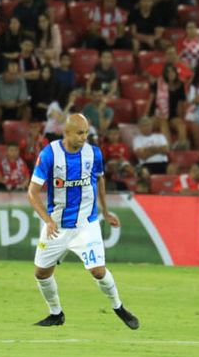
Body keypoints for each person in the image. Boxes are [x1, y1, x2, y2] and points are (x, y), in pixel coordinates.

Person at [26, 113, 139, 330]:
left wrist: (105, 212)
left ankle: (119, 307)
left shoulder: (94, 153)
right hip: (57, 226)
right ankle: (56, 313)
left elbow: (100, 179)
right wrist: (48, 221)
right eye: (80, 133)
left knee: (97, 270)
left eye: (86, 132)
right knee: (41, 273)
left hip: (86, 224)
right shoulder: (49, 154)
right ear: (66, 132)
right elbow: (32, 193)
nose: (84, 137)